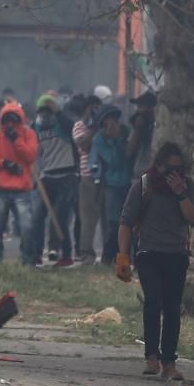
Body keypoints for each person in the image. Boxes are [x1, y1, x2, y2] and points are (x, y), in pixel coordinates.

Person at [116, 142, 194, 381]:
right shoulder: (143, 185)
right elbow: (126, 222)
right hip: (149, 254)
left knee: (173, 308)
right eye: (169, 169)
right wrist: (123, 255)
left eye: (179, 168)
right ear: (159, 166)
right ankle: (151, 356)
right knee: (152, 301)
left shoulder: (186, 186)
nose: (173, 174)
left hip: (176, 255)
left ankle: (169, 362)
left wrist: (181, 193)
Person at [25, 95, 78, 267]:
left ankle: (66, 254)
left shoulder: (63, 124)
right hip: (46, 177)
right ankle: (36, 254)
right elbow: (32, 152)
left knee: (61, 218)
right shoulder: (35, 128)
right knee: (38, 217)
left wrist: (58, 111)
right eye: (42, 112)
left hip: (67, 176)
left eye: (49, 112)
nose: (45, 116)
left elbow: (71, 126)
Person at [0, 102, 38, 260]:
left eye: (14, 120)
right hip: (0, 188)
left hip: (22, 189)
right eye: (7, 121)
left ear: (20, 120)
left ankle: (28, 260)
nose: (10, 124)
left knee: (26, 227)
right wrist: (4, 163)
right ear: (1, 121)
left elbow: (30, 156)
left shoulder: (28, 134)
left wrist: (16, 140)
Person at [90, 104, 132, 264]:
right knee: (113, 222)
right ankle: (109, 257)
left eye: (113, 119)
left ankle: (127, 256)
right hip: (111, 185)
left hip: (128, 182)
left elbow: (129, 156)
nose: (111, 124)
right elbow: (114, 161)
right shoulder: (99, 139)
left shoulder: (127, 132)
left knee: (129, 222)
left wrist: (120, 138)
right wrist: (113, 140)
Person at [73, 95, 103, 263]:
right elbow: (83, 145)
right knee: (88, 219)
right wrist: (94, 128)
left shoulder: (105, 124)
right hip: (87, 177)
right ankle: (86, 254)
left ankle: (109, 254)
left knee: (107, 218)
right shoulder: (79, 126)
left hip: (106, 177)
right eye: (93, 108)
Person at [128, 91, 157, 178]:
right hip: (139, 174)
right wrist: (137, 129)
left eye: (141, 107)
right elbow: (129, 151)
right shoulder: (138, 126)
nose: (138, 110)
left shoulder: (159, 126)